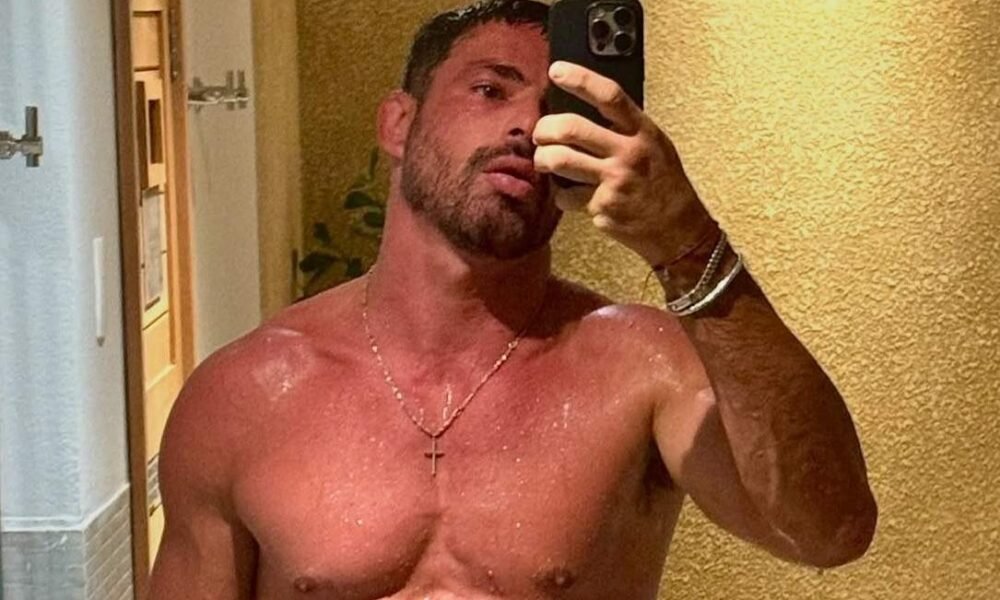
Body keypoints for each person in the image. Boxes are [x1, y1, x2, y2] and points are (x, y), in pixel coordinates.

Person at [149, 1, 877, 598]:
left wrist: (686, 241)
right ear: (398, 124)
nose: (530, 127)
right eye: (491, 90)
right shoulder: (246, 395)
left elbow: (832, 530)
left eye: (556, 106)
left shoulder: (643, 369)